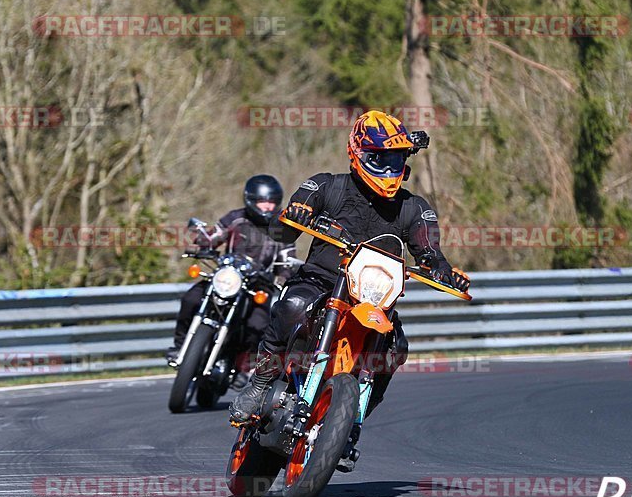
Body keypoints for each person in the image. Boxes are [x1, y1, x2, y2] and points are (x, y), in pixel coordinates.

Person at [229, 111, 470, 467]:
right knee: (294, 304)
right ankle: (261, 382)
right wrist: (296, 212)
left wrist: (445, 271)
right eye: (380, 159)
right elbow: (284, 233)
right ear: (357, 153)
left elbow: (430, 253)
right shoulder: (327, 186)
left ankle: (347, 425)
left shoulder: (414, 208)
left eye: (396, 160)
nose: (389, 170)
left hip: (374, 300)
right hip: (321, 282)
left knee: (396, 348)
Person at [167, 174, 296, 366]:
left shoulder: (281, 227)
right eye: (262, 201)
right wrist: (203, 241)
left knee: (258, 324)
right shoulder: (236, 218)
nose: (268, 206)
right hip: (229, 277)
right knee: (190, 299)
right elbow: (215, 235)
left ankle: (244, 367)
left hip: (259, 285)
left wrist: (285, 274)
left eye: (272, 202)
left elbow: (288, 258)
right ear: (251, 200)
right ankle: (179, 346)